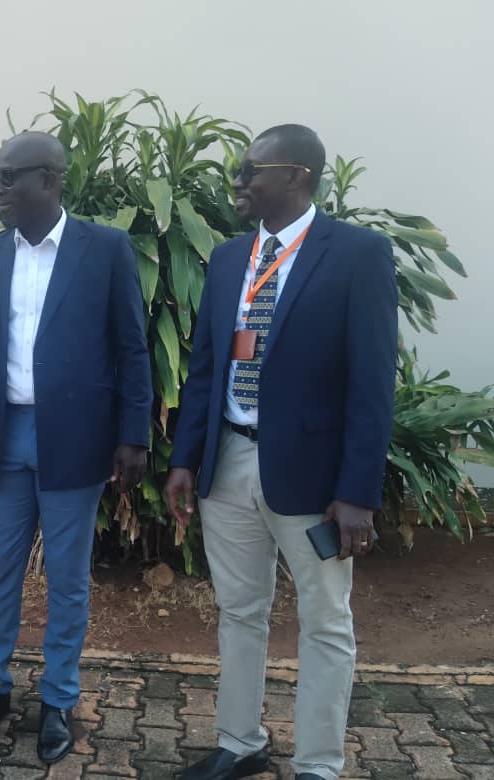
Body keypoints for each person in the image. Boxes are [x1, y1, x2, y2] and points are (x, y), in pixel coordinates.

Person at [164, 125, 398, 780]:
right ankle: (241, 743)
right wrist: (187, 458)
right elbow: (205, 368)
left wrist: (357, 492)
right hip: (229, 466)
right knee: (240, 613)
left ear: (296, 175)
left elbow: (373, 383)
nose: (238, 180)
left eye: (250, 169)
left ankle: (320, 765)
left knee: (325, 622)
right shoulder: (231, 258)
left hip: (316, 484)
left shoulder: (357, 255)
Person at [0, 131, 153, 765]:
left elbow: (131, 346)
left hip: (74, 439)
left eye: (9, 178)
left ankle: (58, 696)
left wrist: (133, 435)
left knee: (68, 577)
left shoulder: (104, 249)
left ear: (50, 181)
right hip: (5, 436)